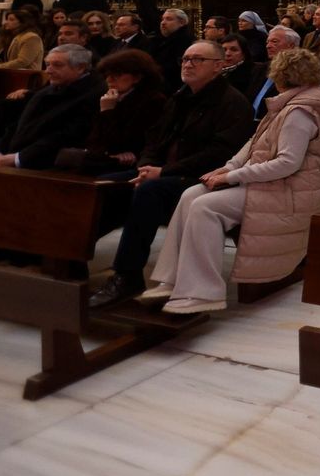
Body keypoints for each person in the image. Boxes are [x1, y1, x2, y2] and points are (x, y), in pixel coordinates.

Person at [141, 48, 320, 315]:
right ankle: (172, 278)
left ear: (281, 75)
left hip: (290, 193)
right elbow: (253, 143)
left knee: (205, 207)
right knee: (190, 195)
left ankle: (203, 291)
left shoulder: (300, 111)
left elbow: (287, 164)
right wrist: (227, 167)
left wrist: (231, 177)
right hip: (270, 184)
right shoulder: (288, 102)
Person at [87, 41, 255, 307]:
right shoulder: (180, 97)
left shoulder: (233, 103)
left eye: (197, 59)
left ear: (218, 66)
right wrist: (146, 166)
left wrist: (162, 171)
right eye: (185, 59)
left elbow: (218, 154)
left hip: (204, 178)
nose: (188, 64)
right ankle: (74, 258)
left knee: (148, 192)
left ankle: (127, 275)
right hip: (165, 172)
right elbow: (154, 139)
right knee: (106, 185)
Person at [0, 45, 104, 169]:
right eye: (47, 64)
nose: (48, 71)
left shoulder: (93, 95)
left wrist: (18, 158)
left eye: (57, 65)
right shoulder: (48, 90)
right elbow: (19, 126)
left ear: (80, 67)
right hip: (14, 158)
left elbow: (67, 136)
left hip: (44, 166)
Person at [74, 48, 168, 174]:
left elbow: (125, 142)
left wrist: (107, 112)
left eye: (117, 75)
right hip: (106, 156)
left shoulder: (153, 101)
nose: (109, 80)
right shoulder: (108, 97)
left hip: (136, 161)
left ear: (137, 77)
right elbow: (93, 140)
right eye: (107, 75)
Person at [249, 26, 301, 120]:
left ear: (291, 46)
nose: (268, 46)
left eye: (274, 41)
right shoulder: (259, 69)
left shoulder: (300, 73)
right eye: (267, 42)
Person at [151, 8, 197, 92]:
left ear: (182, 22)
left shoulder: (185, 41)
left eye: (169, 19)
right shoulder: (160, 40)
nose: (163, 23)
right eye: (162, 19)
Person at [219, 34, 260, 100]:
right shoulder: (213, 72)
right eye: (224, 49)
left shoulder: (252, 74)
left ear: (244, 54)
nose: (227, 53)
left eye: (234, 50)